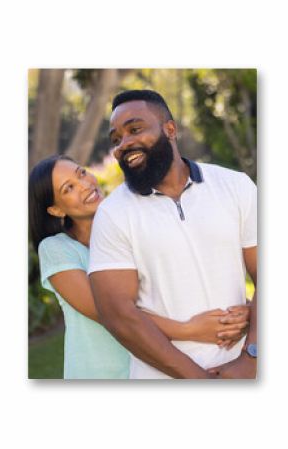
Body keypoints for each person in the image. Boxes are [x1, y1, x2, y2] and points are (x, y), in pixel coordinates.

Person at [29, 155, 249, 379]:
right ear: (56, 210)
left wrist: (239, 312)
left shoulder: (127, 227)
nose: (85, 185)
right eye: (69, 188)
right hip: (100, 375)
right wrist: (188, 330)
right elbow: (109, 313)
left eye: (82, 173)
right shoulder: (56, 249)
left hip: (153, 368)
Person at [88, 89, 257, 379]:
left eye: (135, 129)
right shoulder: (112, 213)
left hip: (242, 371)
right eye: (116, 139)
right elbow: (118, 315)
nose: (124, 144)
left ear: (170, 129)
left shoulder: (236, 186)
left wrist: (252, 358)